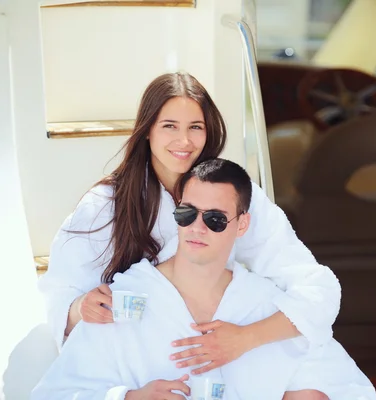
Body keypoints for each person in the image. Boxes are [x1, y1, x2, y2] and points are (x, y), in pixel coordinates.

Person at [37, 72, 341, 376]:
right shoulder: (104, 204)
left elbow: (316, 289)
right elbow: (61, 296)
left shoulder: (236, 196)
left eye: (195, 127)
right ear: (147, 131)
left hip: (221, 363)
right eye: (169, 126)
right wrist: (80, 309)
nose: (184, 141)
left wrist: (246, 338)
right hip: (139, 371)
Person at [31, 158, 376, 400]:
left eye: (215, 219)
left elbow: (348, 390)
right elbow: (53, 394)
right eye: (186, 213)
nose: (197, 227)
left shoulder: (265, 308)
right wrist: (128, 397)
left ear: (242, 225)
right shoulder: (121, 303)